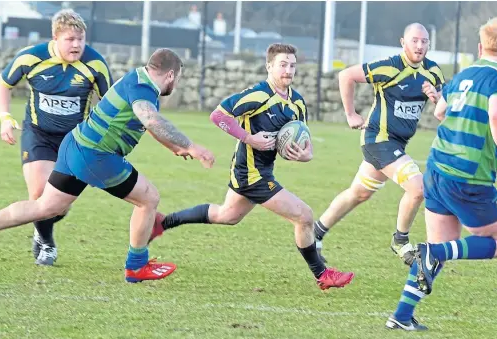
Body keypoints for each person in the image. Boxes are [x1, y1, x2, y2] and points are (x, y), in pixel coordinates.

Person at [0, 48, 216, 284]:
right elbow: (150, 119)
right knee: (148, 199)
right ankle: (136, 267)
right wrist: (192, 146)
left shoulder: (138, 78)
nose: (176, 84)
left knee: (45, 207)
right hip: (95, 155)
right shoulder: (144, 89)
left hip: (76, 145)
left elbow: (149, 122)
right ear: (171, 75)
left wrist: (176, 147)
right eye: (178, 80)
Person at [148, 43, 355, 290]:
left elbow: (305, 144)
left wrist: (304, 156)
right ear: (269, 66)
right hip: (250, 173)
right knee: (304, 216)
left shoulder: (297, 102)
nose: (288, 70)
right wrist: (249, 138)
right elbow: (218, 115)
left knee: (227, 215)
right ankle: (322, 274)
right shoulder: (258, 95)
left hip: (263, 170)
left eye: (292, 66)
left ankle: (162, 222)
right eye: (282, 65)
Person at [386, 14, 497, 331]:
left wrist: (441, 97)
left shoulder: (463, 75)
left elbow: (440, 110)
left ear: (480, 47)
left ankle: (402, 315)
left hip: (436, 168)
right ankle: (432, 252)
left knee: (441, 248)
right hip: (467, 174)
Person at [313, 23, 445, 265]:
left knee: (358, 194)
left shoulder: (433, 72)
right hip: (378, 139)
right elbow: (346, 75)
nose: (419, 45)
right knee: (418, 188)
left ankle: (316, 233)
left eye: (424, 41)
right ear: (402, 42)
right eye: (414, 40)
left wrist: (437, 99)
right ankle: (400, 241)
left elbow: (442, 113)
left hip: (397, 144)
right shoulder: (390, 66)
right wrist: (351, 114)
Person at [0, 9, 113, 266]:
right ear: (55, 37)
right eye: (70, 39)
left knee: (58, 205)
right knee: (39, 194)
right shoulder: (30, 57)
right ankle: (47, 243)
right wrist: (5, 117)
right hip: (38, 134)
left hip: (76, 141)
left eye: (80, 39)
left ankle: (41, 229)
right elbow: (3, 84)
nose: (77, 45)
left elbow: (109, 103)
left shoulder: (95, 64)